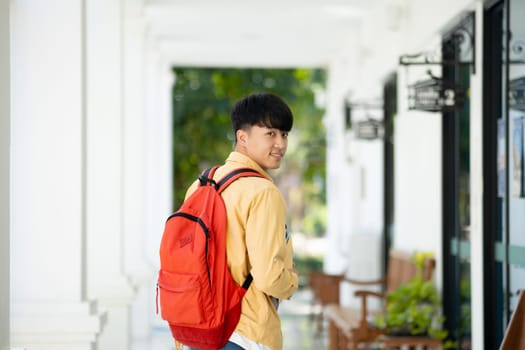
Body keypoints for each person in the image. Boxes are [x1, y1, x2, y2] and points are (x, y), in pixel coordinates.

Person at [184, 92, 299, 350]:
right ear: (242, 136)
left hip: (198, 328)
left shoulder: (202, 184)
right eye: (271, 133)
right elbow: (268, 278)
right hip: (244, 333)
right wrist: (291, 282)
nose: (280, 143)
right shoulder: (263, 192)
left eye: (285, 134)